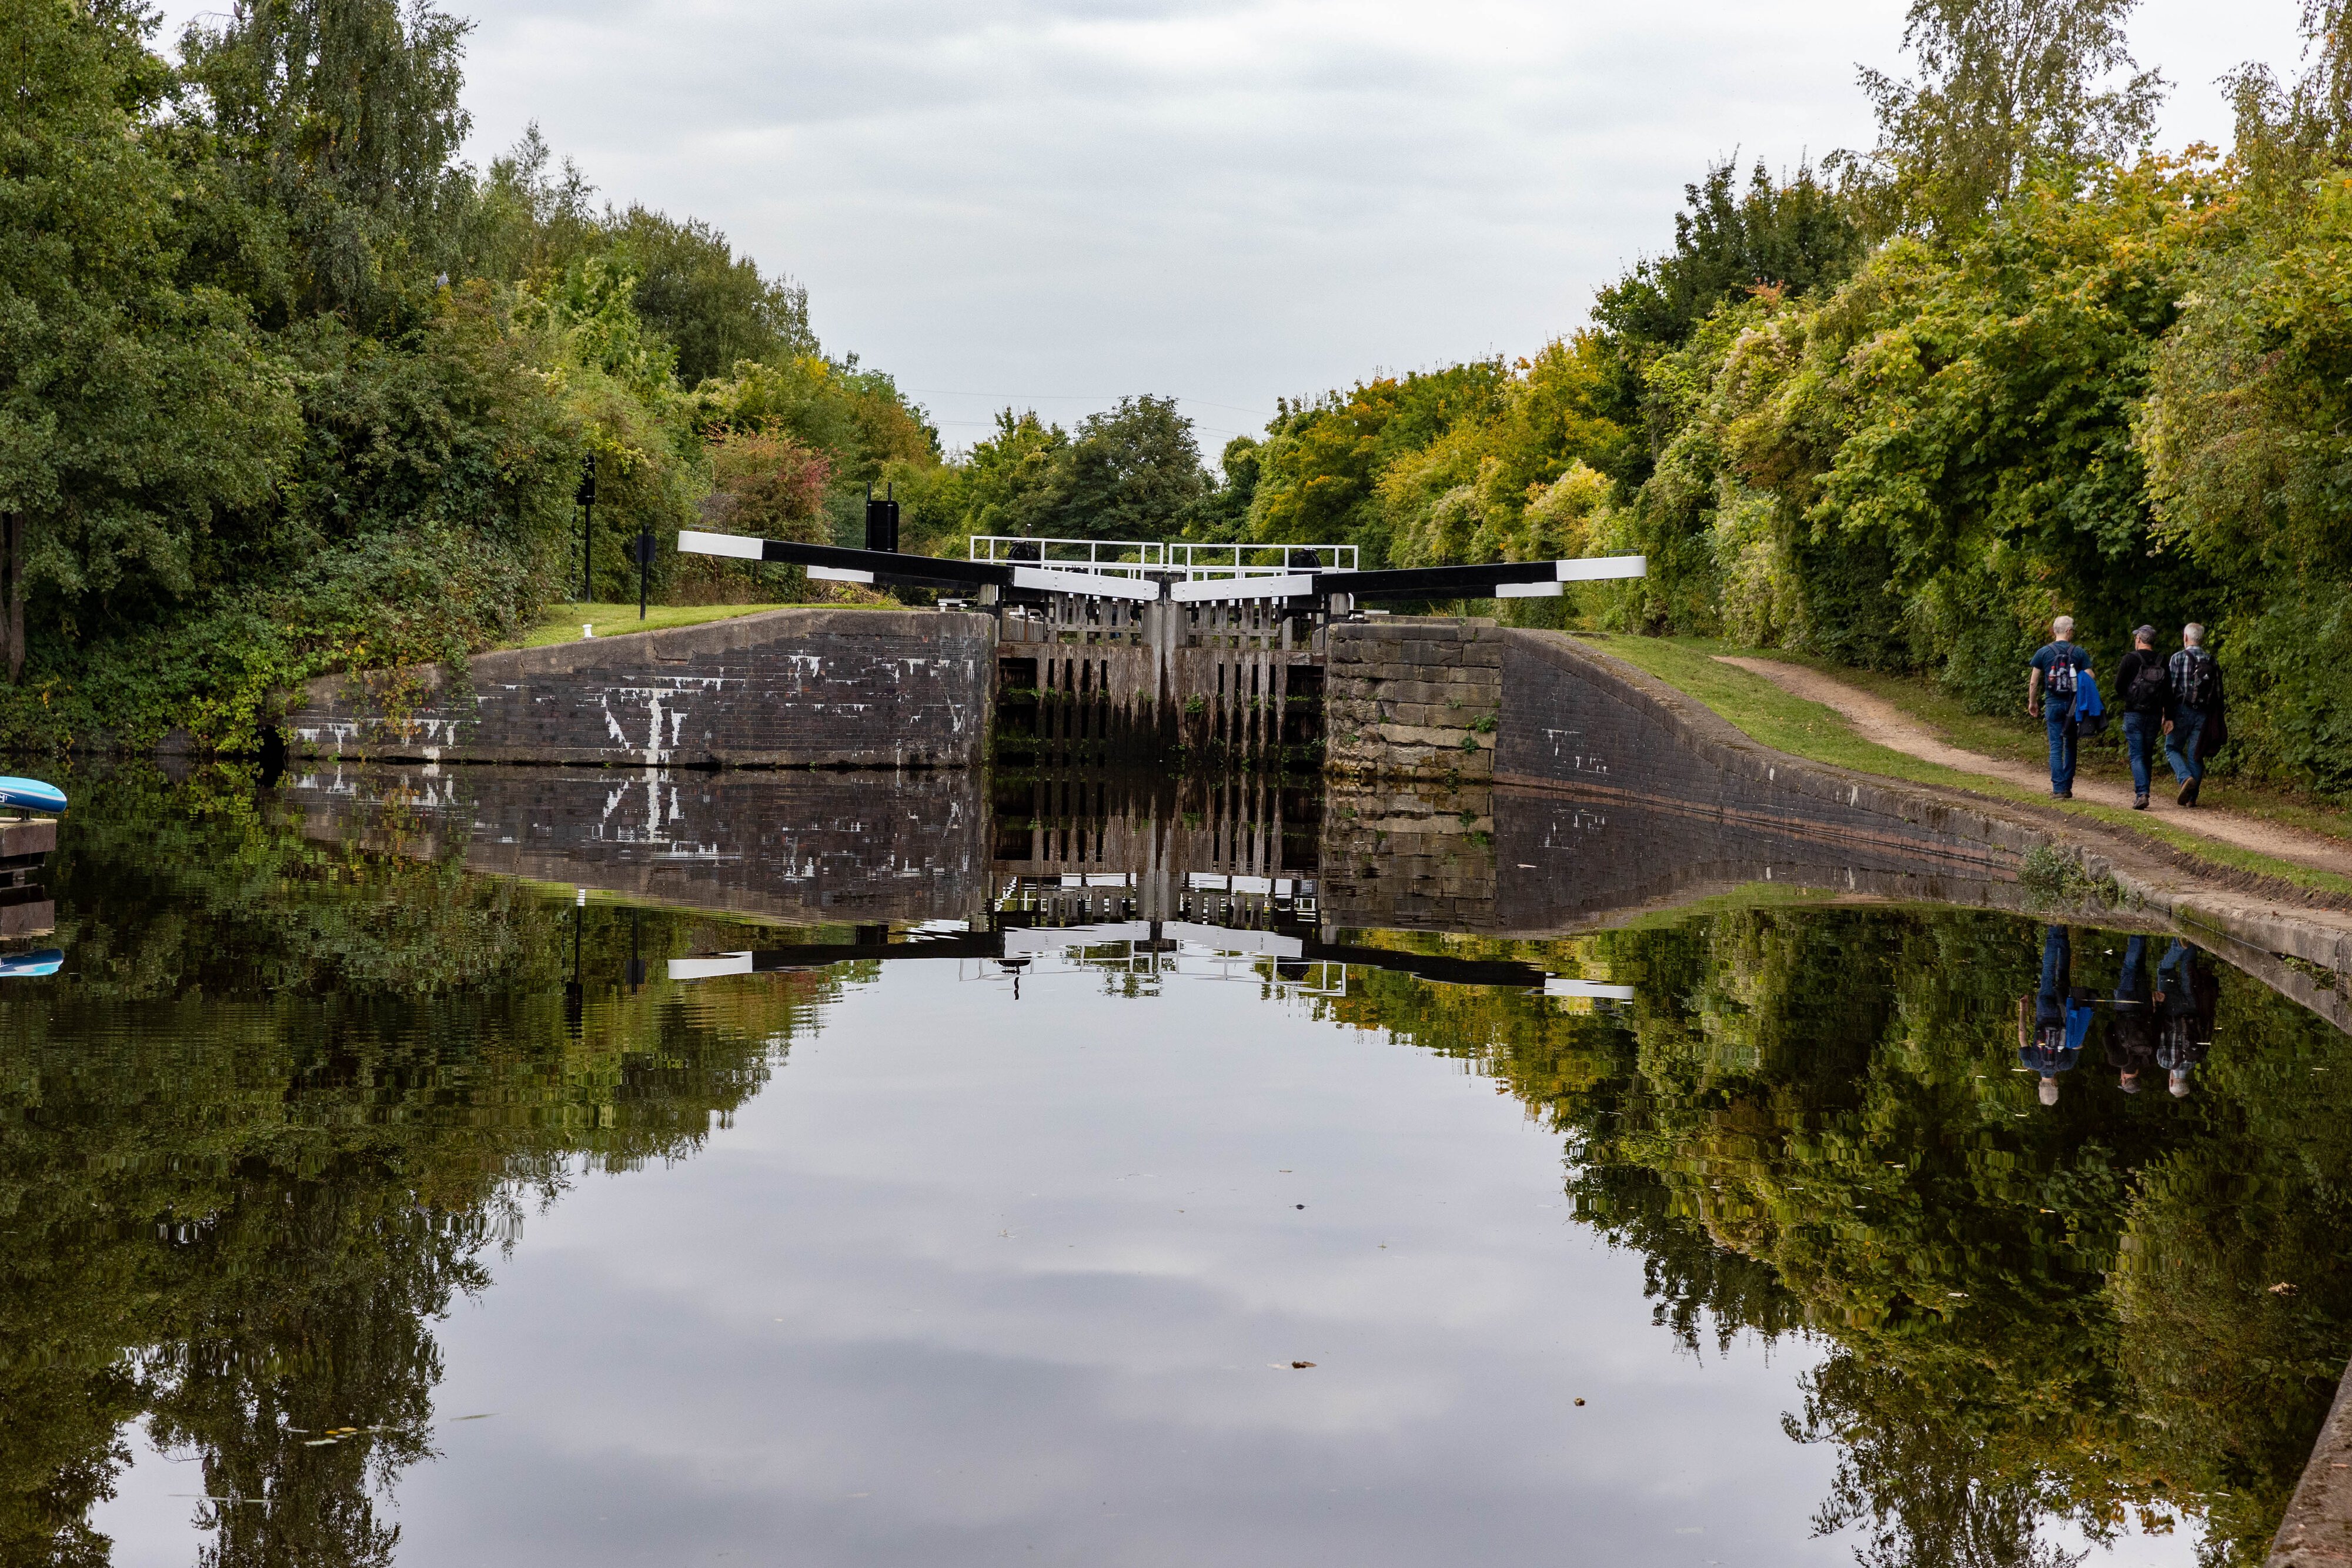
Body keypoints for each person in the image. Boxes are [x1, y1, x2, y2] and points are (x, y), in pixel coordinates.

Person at [2017, 925, 2093, 1104]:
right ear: (2040, 1086)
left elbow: (2077, 1043)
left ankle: (2063, 934)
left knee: (2063, 975)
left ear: (2056, 1085)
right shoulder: (2030, 1063)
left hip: (2062, 1012)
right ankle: (2052, 932)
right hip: (2043, 1011)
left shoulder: (2066, 1065)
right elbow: (2022, 1034)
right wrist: (2023, 1009)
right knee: (2047, 973)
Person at [2027, 616, 2094, 800]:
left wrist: (2033, 702)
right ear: (2069, 631)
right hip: (2073, 706)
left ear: (2054, 631)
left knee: (2056, 747)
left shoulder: (2043, 652)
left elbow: (2034, 682)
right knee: (2071, 745)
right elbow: (2090, 677)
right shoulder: (2079, 652)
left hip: (2053, 703)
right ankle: (2067, 787)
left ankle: (2058, 789)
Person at [2163, 623, 2224, 807]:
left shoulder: (2178, 658)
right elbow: (2218, 694)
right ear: (2202, 639)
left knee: (2172, 748)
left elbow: (2170, 690)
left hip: (2181, 710)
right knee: (2196, 755)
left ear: (2185, 638)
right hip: (2204, 714)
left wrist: (2167, 715)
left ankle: (2184, 779)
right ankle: (2191, 799)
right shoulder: (2212, 661)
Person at [2113, 626, 2169, 810]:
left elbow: (2119, 686)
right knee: (2146, 754)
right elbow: (2169, 692)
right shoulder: (2163, 660)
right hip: (2154, 715)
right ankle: (2145, 791)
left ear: (2139, 640)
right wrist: (2167, 716)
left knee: (2136, 754)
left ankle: (2142, 793)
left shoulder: (2130, 659)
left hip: (2134, 713)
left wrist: (2130, 697)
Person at [2155, 938, 2216, 1096]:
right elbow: (2159, 1031)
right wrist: (2158, 1006)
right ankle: (2177, 945)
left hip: (2192, 1008)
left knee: (2188, 968)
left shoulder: (2198, 1058)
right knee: (2164, 970)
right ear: (2171, 1081)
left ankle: (2189, 935)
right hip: (2170, 1008)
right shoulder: (2164, 1062)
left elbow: (2206, 1029)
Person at [2107, 934, 2156, 1093]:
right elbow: (2106, 1035)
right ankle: (2137, 935)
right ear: (2123, 1079)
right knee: (2129, 969)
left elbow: (2157, 1028)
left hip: (2145, 1008)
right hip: (2124, 1009)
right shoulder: (2117, 1060)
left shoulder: (2149, 1060)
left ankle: (2143, 937)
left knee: (2140, 971)